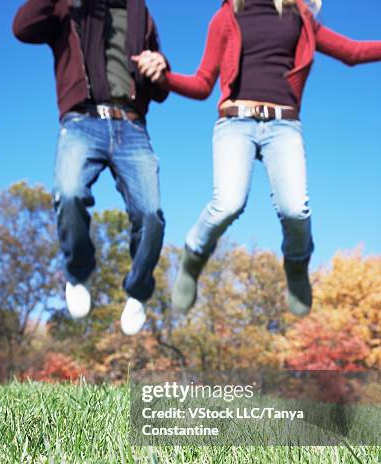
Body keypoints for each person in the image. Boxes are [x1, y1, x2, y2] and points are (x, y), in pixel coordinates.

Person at [134, 0, 381, 317]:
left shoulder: (300, 16)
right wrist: (163, 78)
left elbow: (352, 52)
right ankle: (193, 258)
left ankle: (296, 265)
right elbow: (202, 83)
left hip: (284, 125)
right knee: (228, 204)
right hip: (236, 123)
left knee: (295, 209)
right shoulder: (226, 16)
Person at [13, 0, 168, 335]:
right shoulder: (68, 6)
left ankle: (138, 291)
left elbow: (159, 90)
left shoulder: (140, 12)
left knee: (151, 215)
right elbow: (22, 28)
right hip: (82, 122)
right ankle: (78, 273)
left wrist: (160, 66)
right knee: (68, 193)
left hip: (131, 125)